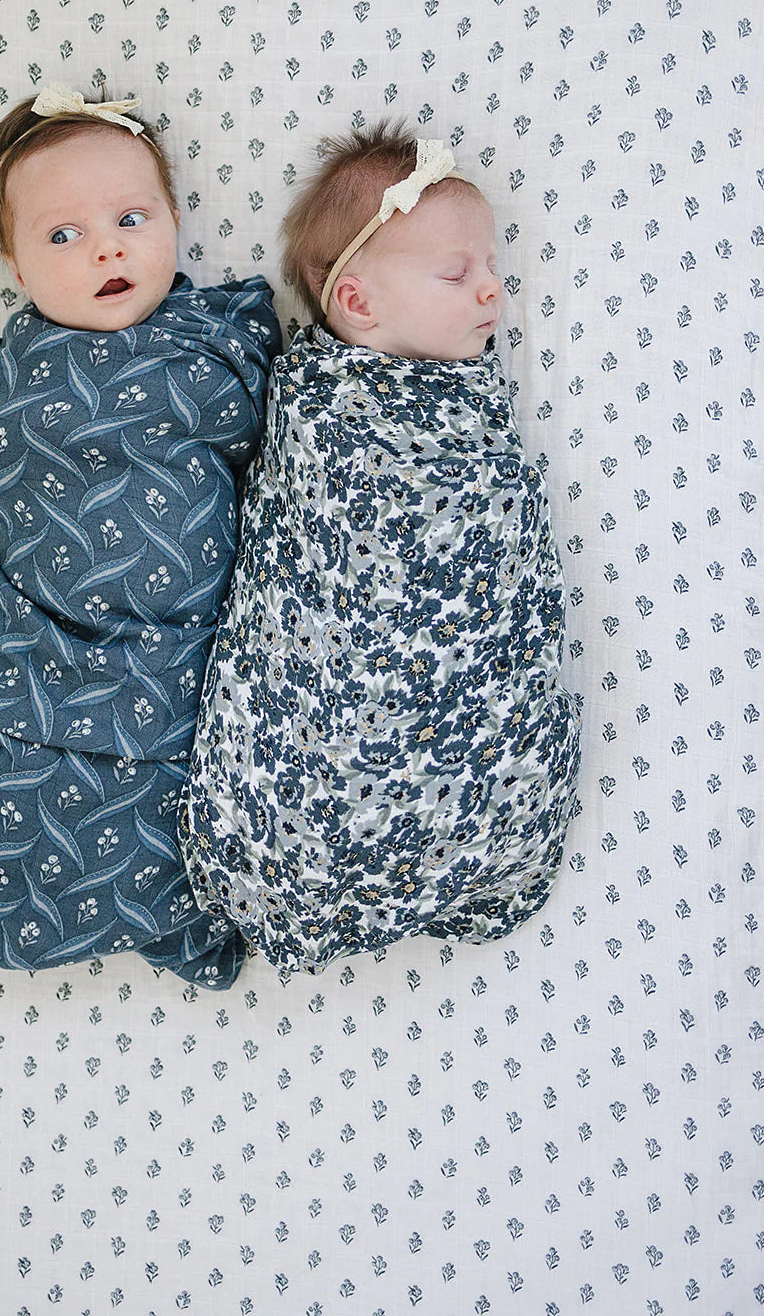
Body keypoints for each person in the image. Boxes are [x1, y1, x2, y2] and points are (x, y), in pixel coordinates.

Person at [179, 121, 582, 974]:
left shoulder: (469, 398)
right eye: (457, 273)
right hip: (326, 736)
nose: (492, 291)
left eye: (492, 267)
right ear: (358, 304)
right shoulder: (320, 407)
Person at [0, 84, 281, 989]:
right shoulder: (23, 376)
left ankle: (178, 911)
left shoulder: (211, 340)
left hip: (178, 657)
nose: (107, 249)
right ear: (14, 266)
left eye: (131, 218)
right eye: (63, 235)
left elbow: (268, 443)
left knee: (186, 794)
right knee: (6, 801)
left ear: (173, 220)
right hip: (49, 652)